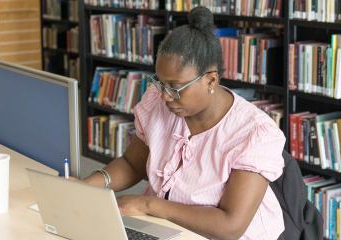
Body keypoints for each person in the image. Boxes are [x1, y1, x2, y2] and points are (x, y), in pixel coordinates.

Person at [84, 6, 285, 240]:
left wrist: (149, 205)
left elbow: (230, 226)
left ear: (210, 80)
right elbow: (131, 163)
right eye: (160, 83)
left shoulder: (254, 132)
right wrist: (91, 184)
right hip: (168, 226)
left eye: (175, 87)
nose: (165, 96)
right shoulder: (158, 101)